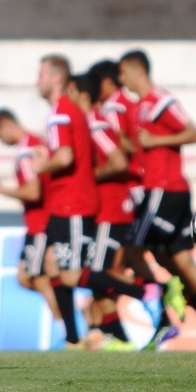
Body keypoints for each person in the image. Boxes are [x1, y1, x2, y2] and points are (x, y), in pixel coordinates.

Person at [31, 55, 160, 349]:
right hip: (65, 203)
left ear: (57, 79)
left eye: (40, 75)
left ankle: (146, 293)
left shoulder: (64, 112)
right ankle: (74, 339)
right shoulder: (68, 112)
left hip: (75, 204)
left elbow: (66, 157)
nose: (35, 82)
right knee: (53, 266)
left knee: (73, 274)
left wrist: (43, 166)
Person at [118, 49, 196, 351]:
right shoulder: (139, 108)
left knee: (131, 250)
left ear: (137, 71)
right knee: (180, 259)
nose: (122, 80)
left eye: (124, 73)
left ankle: (164, 314)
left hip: (165, 189)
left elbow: (194, 133)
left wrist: (156, 140)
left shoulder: (161, 102)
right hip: (164, 189)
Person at [66, 73, 164, 351]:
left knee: (92, 272)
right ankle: (111, 335)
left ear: (83, 95)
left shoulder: (95, 123)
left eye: (70, 93)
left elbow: (119, 160)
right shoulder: (88, 123)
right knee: (101, 276)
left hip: (111, 208)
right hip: (102, 209)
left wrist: (86, 178)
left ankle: (146, 291)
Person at [0, 108, 59, 321]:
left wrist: (0, 189)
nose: (1, 141)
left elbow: (33, 191)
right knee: (35, 276)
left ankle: (69, 329)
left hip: (40, 223)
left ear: (5, 126)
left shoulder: (26, 150)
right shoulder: (39, 141)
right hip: (47, 219)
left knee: (34, 277)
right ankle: (70, 318)